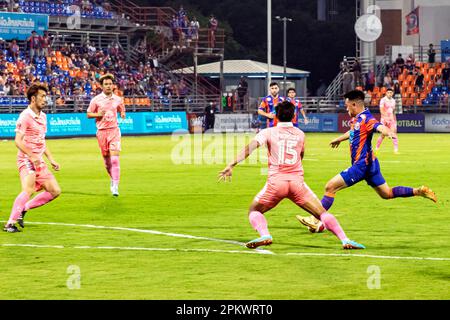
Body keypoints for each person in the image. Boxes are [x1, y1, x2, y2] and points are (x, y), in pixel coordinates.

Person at [218, 101, 365, 250]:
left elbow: (249, 149)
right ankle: (345, 239)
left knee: (254, 211)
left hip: (276, 183)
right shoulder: (300, 134)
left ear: (276, 116)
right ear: (294, 116)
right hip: (297, 183)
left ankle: (265, 234)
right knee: (321, 213)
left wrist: (231, 164)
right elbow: (301, 155)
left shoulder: (268, 132)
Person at [296, 90, 437, 233]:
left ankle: (315, 219)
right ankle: (418, 191)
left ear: (354, 104)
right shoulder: (357, 119)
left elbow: (378, 126)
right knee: (386, 193)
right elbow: (353, 132)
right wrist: (339, 139)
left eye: (347, 106)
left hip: (361, 165)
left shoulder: (367, 118)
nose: (346, 109)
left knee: (330, 187)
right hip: (372, 164)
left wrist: (387, 132)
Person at [3, 84, 62, 233]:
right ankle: (10, 223)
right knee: (28, 189)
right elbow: (17, 140)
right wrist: (31, 155)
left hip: (38, 160)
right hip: (26, 159)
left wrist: (51, 159)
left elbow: (42, 141)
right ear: (33, 98)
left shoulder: (43, 116)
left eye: (45, 96)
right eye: (42, 96)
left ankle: (24, 209)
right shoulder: (25, 116)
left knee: (55, 191)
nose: (45, 99)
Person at [87, 74, 126, 196]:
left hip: (114, 130)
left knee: (115, 160)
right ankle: (112, 177)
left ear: (113, 85)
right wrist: (98, 114)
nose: (109, 86)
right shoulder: (96, 100)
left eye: (110, 84)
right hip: (102, 132)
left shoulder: (118, 99)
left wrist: (123, 114)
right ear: (101, 86)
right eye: (106, 84)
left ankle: (115, 185)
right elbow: (88, 114)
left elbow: (121, 108)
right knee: (107, 161)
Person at [375, 88, 399, 153]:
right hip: (384, 119)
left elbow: (393, 111)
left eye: (391, 92)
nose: (389, 94)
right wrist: (385, 117)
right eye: (388, 92)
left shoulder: (393, 101)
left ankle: (396, 150)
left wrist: (394, 119)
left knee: (394, 133)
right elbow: (381, 110)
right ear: (386, 93)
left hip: (391, 119)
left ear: (392, 93)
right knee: (383, 135)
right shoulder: (383, 100)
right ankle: (377, 147)